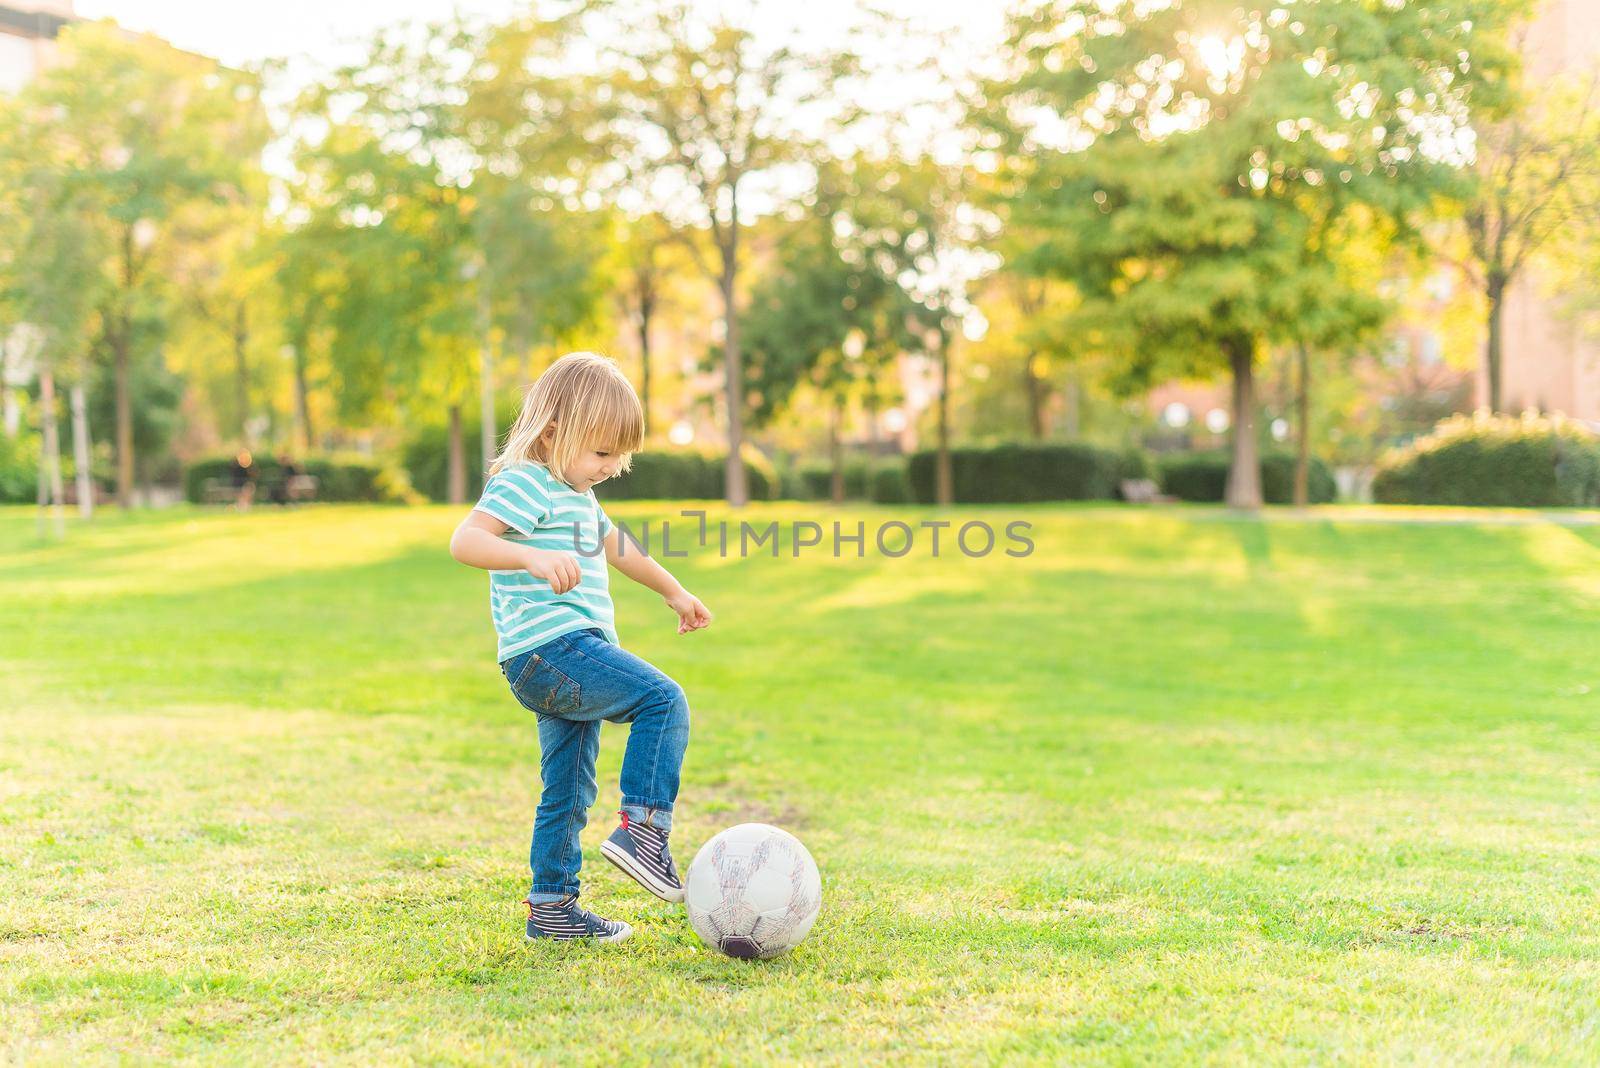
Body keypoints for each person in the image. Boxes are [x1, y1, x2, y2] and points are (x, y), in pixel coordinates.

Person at [448, 351, 713, 944]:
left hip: (550, 658)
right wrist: (530, 555)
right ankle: (643, 830)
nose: (612, 466)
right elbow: (466, 541)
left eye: (620, 455)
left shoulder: (576, 495)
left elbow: (621, 549)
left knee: (567, 787)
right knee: (663, 701)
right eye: (601, 452)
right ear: (552, 431)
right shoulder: (527, 482)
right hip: (553, 648)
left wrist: (675, 592)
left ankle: (553, 909)